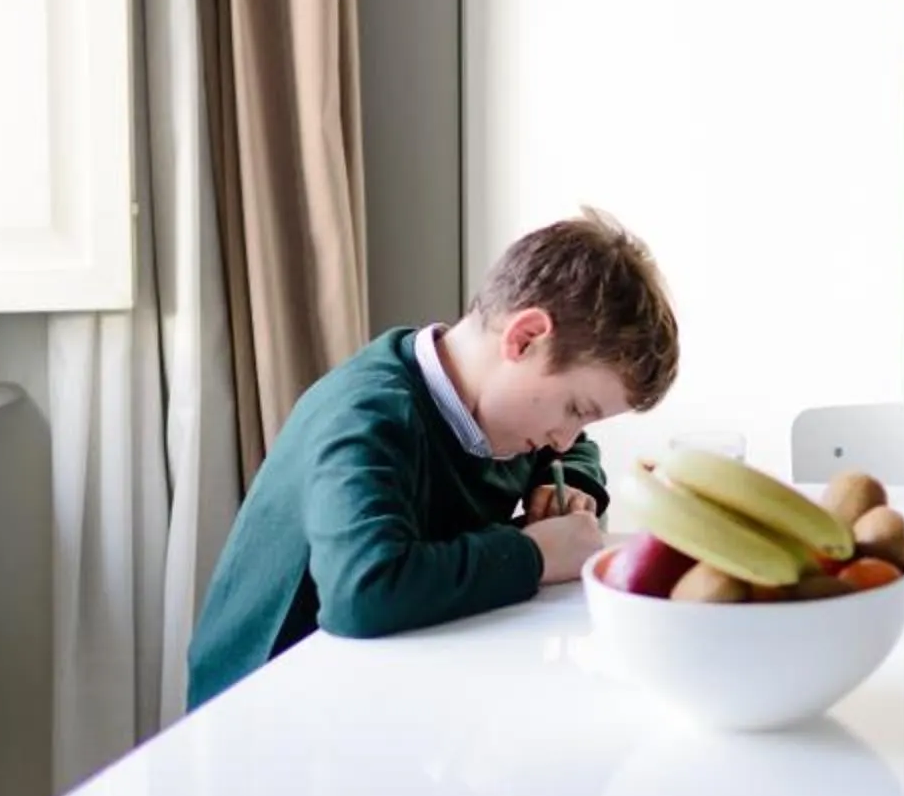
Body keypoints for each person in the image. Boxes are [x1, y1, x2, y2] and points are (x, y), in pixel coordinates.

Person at [184, 208, 680, 710]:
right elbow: (364, 591)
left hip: (381, 679)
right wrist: (535, 555)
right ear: (525, 338)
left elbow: (575, 450)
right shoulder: (369, 414)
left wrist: (569, 483)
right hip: (265, 703)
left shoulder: (503, 415)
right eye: (575, 408)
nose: (562, 438)